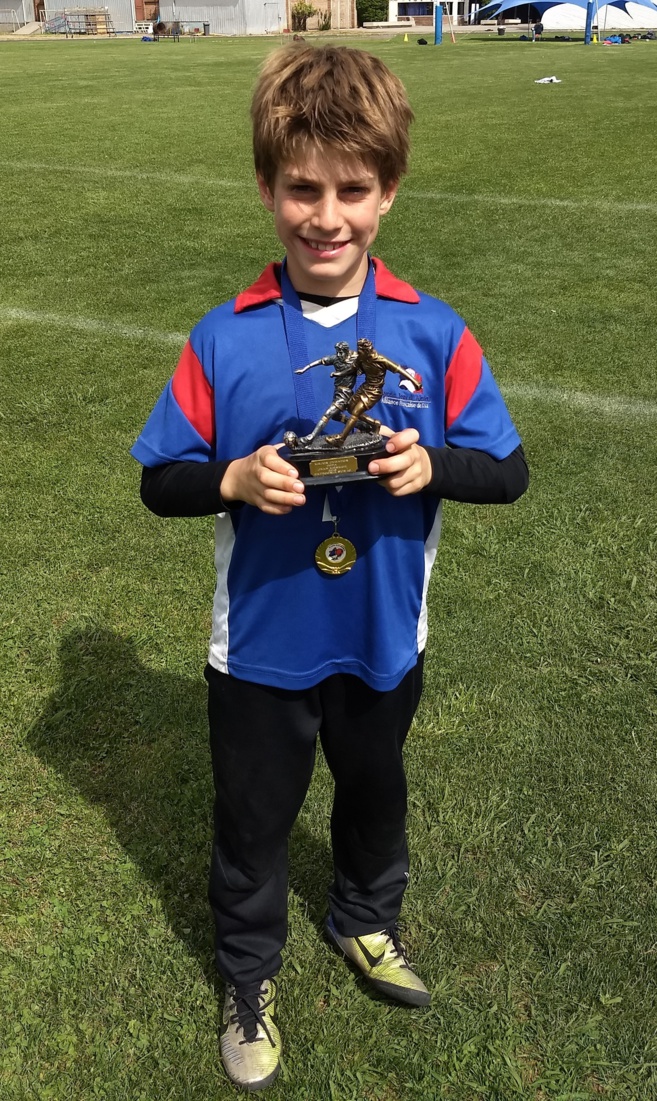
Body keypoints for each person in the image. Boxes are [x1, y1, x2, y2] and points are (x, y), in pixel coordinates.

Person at [131, 44, 529, 1092]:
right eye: (302, 189)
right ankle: (249, 972)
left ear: (388, 190)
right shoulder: (224, 339)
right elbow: (158, 480)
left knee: (375, 789)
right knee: (254, 816)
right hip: (259, 646)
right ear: (268, 188)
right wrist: (231, 483)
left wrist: (429, 463)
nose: (326, 216)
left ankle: (365, 920)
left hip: (383, 637)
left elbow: (510, 470)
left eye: (353, 189)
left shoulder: (433, 333)